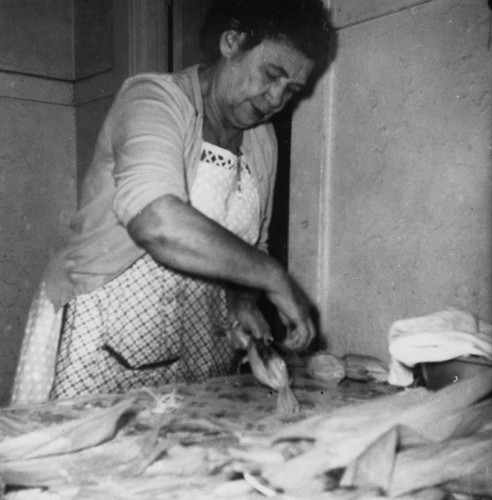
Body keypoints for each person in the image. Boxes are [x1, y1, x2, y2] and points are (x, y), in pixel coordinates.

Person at [11, 0, 336, 404]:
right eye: (271, 75)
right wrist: (272, 276)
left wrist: (242, 296)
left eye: (291, 90)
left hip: (198, 336)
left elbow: (251, 246)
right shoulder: (153, 100)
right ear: (231, 42)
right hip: (107, 330)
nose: (275, 99)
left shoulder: (261, 141)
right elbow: (156, 223)